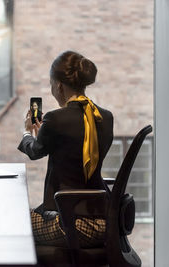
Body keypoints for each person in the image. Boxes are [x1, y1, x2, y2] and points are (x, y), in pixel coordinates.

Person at [18, 51, 114, 247]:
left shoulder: (55, 119)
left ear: (59, 85)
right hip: (106, 221)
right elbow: (75, 147)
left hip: (71, 224)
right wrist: (46, 131)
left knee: (15, 223)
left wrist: (27, 133)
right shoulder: (106, 117)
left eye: (51, 83)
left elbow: (35, 151)